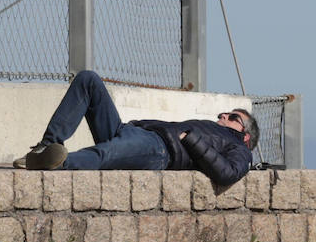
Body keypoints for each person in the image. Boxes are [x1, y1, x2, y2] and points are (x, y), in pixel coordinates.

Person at [14, 69, 258, 187]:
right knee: (89, 80)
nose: (223, 114)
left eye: (232, 116)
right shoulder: (219, 130)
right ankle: (46, 147)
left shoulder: (240, 149)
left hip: (159, 150)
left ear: (245, 134)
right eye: (224, 113)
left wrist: (190, 139)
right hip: (136, 132)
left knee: (104, 155)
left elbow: (227, 173)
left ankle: (57, 163)